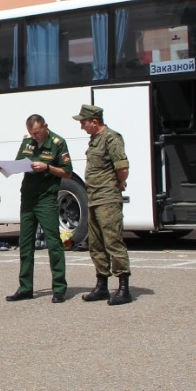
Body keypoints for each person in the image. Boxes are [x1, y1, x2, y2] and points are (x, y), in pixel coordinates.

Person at [0, 114, 72, 303]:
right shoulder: (28, 142)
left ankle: (59, 288)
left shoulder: (58, 143)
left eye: (37, 133)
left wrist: (47, 168)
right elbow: (17, 165)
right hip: (28, 198)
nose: (35, 136)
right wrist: (2, 168)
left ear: (46, 126)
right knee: (26, 243)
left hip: (46, 198)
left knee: (54, 243)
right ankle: (25, 288)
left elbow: (68, 173)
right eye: (32, 133)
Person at [76, 104, 133, 305]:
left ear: (94, 121)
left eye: (83, 122)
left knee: (113, 242)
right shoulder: (94, 140)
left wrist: (116, 183)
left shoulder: (111, 138)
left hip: (108, 198)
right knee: (96, 244)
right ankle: (102, 286)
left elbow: (122, 168)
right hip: (94, 197)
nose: (81, 126)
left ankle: (124, 288)